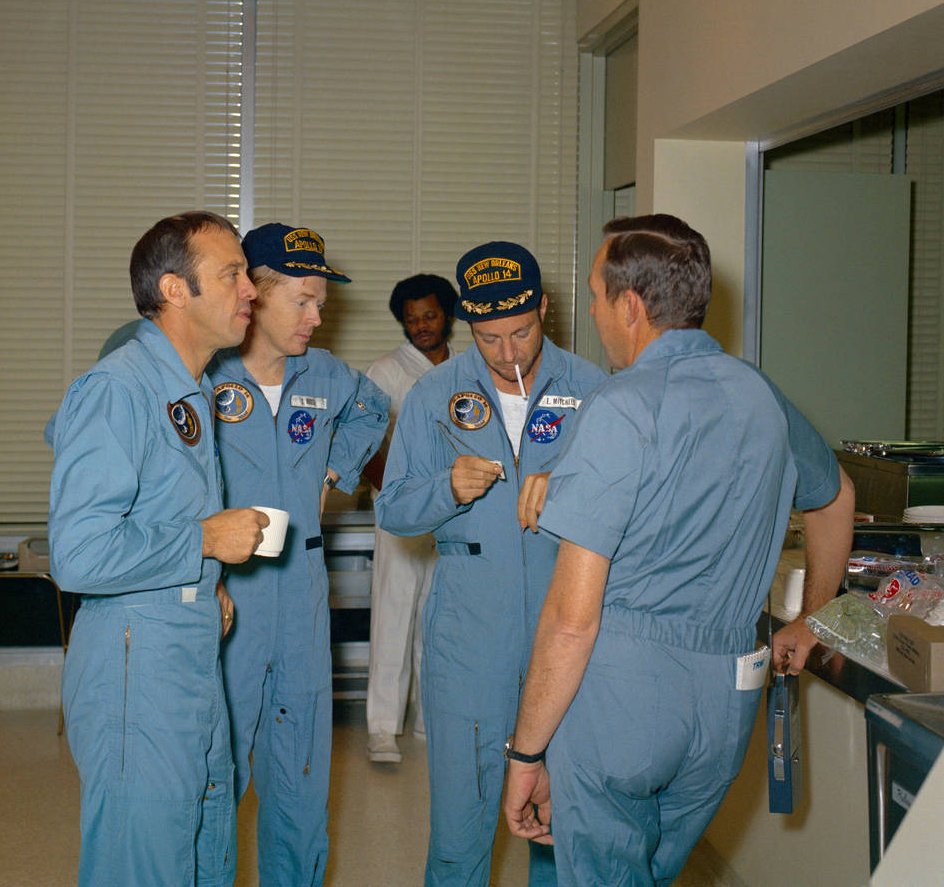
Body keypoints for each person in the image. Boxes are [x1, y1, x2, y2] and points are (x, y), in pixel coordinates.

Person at [502, 214, 854, 887]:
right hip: (724, 703)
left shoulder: (621, 406)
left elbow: (571, 621)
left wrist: (526, 752)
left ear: (629, 306)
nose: (595, 314)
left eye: (598, 297)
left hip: (621, 698)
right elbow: (834, 495)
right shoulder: (759, 395)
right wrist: (814, 618)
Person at [48, 211, 269, 886]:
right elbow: (79, 554)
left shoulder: (191, 388)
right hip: (133, 663)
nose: (250, 290)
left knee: (202, 848)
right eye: (231, 273)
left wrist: (206, 579)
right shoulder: (119, 389)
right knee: (139, 862)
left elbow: (152, 516)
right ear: (174, 290)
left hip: (188, 645)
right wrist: (203, 540)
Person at [376, 242, 607, 886]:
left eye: (521, 333)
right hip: (469, 640)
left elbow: (638, 508)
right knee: (460, 824)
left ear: (544, 310)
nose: (508, 355)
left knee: (561, 828)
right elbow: (393, 510)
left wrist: (570, 485)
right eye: (488, 338)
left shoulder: (594, 390)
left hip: (570, 630)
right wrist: (445, 488)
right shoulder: (433, 394)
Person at [211, 223, 389, 886]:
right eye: (303, 300)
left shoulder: (327, 375)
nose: (318, 317)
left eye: (323, 302)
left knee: (301, 776)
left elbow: (374, 408)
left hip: (302, 593)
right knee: (214, 772)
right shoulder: (205, 372)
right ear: (252, 293)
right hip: (227, 594)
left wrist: (335, 472)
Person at [364, 273, 459, 764]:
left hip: (453, 514)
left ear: (447, 315)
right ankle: (382, 728)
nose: (421, 326)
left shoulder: (467, 371)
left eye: (430, 316)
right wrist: (399, 494)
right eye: (412, 318)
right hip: (402, 515)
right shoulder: (385, 372)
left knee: (439, 621)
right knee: (394, 616)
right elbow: (365, 446)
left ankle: (428, 719)